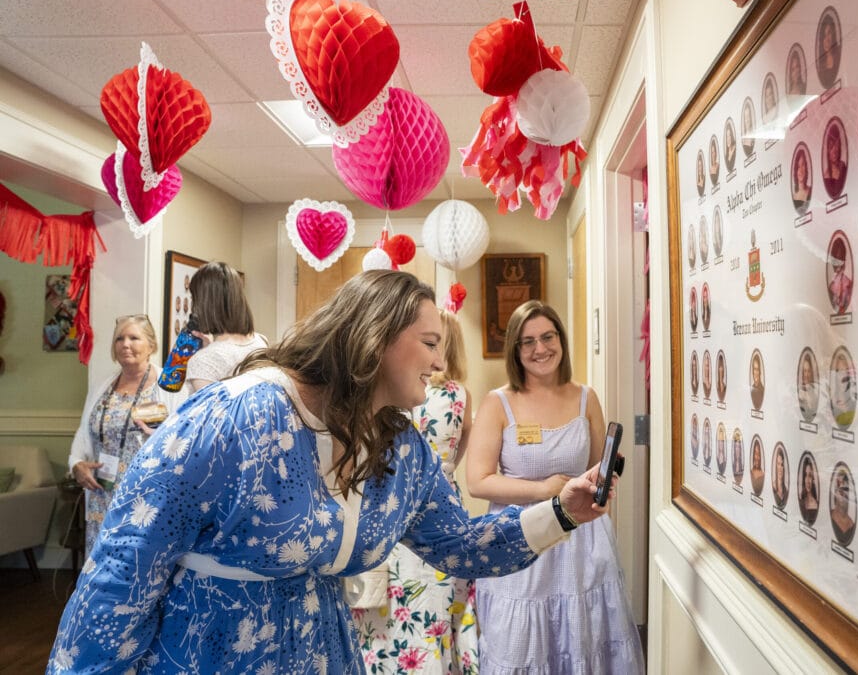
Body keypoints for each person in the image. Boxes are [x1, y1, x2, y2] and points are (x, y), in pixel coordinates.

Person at [49, 272, 613, 675]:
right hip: (208, 655)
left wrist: (563, 512)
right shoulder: (236, 416)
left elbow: (462, 546)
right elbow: (125, 565)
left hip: (326, 652)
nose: (441, 364)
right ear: (375, 337)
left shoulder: (400, 449)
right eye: (430, 343)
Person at [465, 300, 644, 674]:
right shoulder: (499, 403)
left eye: (548, 337)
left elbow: (597, 464)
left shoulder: (586, 397)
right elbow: (478, 481)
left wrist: (605, 476)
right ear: (515, 349)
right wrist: (544, 490)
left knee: (582, 635)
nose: (540, 349)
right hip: (521, 536)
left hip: (581, 541)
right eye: (527, 341)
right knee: (521, 641)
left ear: (561, 340)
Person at [353, 309, 479, 672]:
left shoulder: (394, 392)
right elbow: (458, 451)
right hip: (444, 500)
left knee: (390, 609)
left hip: (392, 500)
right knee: (440, 606)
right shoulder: (460, 396)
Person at [68, 314, 182, 554]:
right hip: (102, 495)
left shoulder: (168, 385)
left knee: (139, 568)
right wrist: (77, 464)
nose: (126, 344)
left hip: (147, 499)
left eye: (134, 338)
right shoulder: (103, 386)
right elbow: (84, 431)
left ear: (151, 345)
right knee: (101, 571)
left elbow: (183, 440)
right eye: (119, 339)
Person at [183, 261, 267, 394]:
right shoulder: (261, 341)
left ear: (203, 303)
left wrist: (209, 352)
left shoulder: (203, 361)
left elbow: (211, 414)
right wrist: (211, 347)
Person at [831, 348, 858, 427]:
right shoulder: (832, 404)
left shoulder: (854, 401)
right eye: (840, 371)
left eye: (846, 371)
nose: (844, 375)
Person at [830, 466, 856, 546]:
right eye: (839, 488)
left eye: (845, 488)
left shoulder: (852, 525)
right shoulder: (829, 516)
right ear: (834, 492)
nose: (842, 493)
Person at [828, 236, 853, 314]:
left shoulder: (849, 284)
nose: (838, 267)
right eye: (835, 262)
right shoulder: (831, 287)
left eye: (840, 261)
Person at [822, 122, 848, 198]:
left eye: (837, 145)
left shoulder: (843, 166)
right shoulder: (826, 176)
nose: (834, 150)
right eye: (831, 146)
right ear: (827, 150)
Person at [817, 12, 841, 88]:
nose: (827, 38)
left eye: (829, 33)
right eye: (824, 36)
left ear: (834, 34)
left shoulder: (839, 56)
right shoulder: (821, 65)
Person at [797, 350, 819, 422]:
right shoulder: (797, 392)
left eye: (808, 371)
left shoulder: (815, 391)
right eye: (804, 371)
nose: (806, 375)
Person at [798, 455, 818, 525]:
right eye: (806, 475)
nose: (807, 481)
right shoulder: (801, 500)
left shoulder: (816, 504)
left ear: (813, 479)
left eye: (810, 476)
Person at [792, 146, 812, 212]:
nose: (800, 170)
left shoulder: (810, 190)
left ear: (806, 167)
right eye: (798, 167)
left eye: (803, 165)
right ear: (795, 170)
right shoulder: (794, 197)